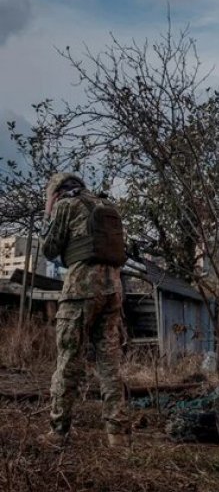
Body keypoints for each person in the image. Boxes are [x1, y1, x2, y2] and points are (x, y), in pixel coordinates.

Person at [40, 173, 129, 447]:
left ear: (56, 191)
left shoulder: (66, 206)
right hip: (113, 289)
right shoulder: (105, 206)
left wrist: (48, 212)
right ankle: (117, 436)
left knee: (68, 360)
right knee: (109, 363)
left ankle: (58, 432)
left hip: (81, 290)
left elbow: (49, 249)